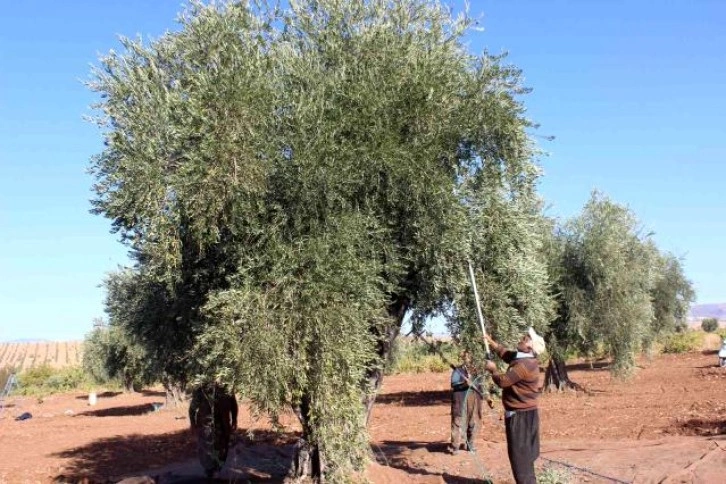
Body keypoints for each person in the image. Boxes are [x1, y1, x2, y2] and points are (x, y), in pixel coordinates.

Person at [483, 328, 546, 484]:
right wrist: (492, 344)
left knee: (520, 459)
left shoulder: (525, 365)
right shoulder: (523, 358)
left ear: (530, 347)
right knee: (524, 456)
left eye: (526, 338)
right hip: (526, 414)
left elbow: (504, 381)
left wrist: (493, 371)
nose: (523, 338)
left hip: (521, 417)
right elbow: (507, 355)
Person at [189, 383, 239, 478]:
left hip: (224, 426)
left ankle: (217, 469)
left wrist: (234, 420)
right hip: (206, 427)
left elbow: (233, 405)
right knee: (207, 450)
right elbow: (192, 409)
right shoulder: (202, 390)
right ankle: (209, 471)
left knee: (223, 449)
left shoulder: (227, 389)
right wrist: (193, 423)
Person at [449, 350, 483, 454]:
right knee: (457, 421)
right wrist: (465, 383)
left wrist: (486, 396)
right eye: (467, 357)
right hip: (460, 398)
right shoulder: (457, 370)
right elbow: (454, 384)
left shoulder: (475, 370)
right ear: (463, 358)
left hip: (473, 398)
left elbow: (480, 386)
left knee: (472, 422)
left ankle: (470, 445)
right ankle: (455, 447)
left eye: (470, 357)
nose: (469, 359)